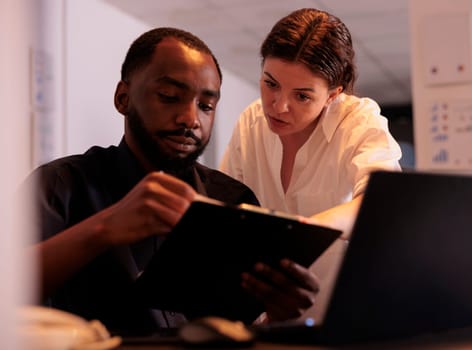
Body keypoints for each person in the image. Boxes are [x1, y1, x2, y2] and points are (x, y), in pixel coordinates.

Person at [22, 27, 320, 334]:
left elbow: (244, 326)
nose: (190, 119)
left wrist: (277, 313)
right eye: (169, 97)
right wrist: (104, 228)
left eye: (206, 106)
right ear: (123, 98)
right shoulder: (60, 185)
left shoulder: (232, 200)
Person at [220, 8, 402, 237]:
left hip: (337, 273)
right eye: (271, 84)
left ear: (333, 95)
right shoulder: (251, 122)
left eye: (302, 96)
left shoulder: (358, 122)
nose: (278, 107)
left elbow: (380, 202)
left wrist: (302, 233)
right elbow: (223, 202)